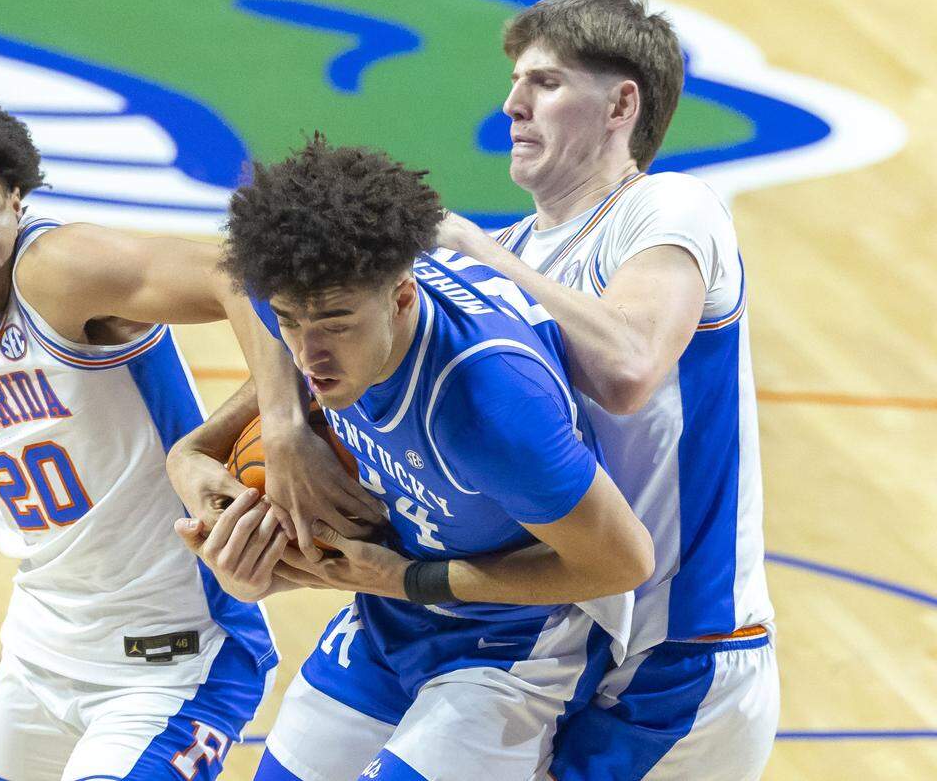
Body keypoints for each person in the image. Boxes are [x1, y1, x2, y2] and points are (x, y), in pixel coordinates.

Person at [0, 95, 378, 781]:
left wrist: (284, 421)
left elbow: (239, 275)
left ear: (16, 200)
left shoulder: (58, 272)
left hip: (175, 659)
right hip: (39, 650)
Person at [168, 135, 654, 781]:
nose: (309, 355)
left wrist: (406, 579)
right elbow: (271, 325)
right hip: (390, 614)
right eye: (291, 321)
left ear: (401, 295)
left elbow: (622, 562)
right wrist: (233, 446)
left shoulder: (489, 405)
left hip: (518, 636)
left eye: (337, 324)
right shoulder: (299, 283)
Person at [435, 0, 778, 780]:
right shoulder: (515, 247)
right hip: (564, 644)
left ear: (623, 102)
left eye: (546, 83)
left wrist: (480, 258)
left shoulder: (668, 206)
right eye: (518, 81)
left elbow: (628, 368)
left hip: (683, 654)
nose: (512, 104)